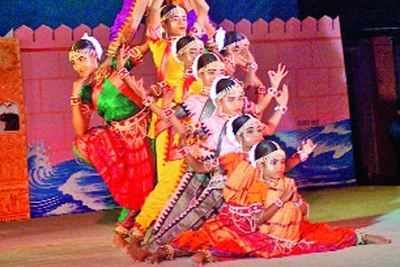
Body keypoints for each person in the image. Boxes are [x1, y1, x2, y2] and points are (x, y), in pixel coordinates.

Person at [154, 139, 390, 264]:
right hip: (263, 232)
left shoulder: (287, 183)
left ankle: (360, 238)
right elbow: (254, 222)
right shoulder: (254, 185)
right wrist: (280, 203)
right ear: (261, 165)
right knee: (223, 239)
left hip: (291, 232)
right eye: (274, 162)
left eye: (281, 162)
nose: (279, 167)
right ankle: (182, 252)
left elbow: (300, 209)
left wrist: (297, 205)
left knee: (324, 235)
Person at [68, 34, 156, 250]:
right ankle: (126, 229)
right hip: (122, 138)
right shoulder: (86, 91)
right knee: (87, 143)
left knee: (152, 181)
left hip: (147, 128)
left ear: (93, 55)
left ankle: (140, 229)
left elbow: (143, 49)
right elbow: (81, 130)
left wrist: (153, 37)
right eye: (73, 62)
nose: (77, 66)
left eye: (80, 59)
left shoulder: (113, 67)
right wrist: (75, 97)